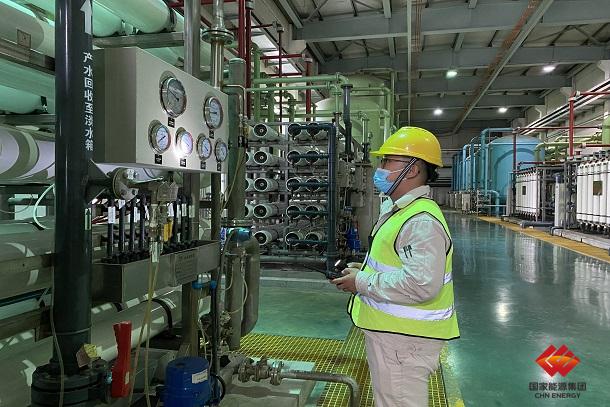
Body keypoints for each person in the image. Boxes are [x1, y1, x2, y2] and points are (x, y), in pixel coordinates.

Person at [331, 126, 459, 407]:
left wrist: (361, 282)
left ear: (412, 170)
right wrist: (362, 271)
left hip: (405, 341)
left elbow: (421, 285)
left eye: (388, 160)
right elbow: (399, 265)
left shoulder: (420, 221)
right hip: (397, 337)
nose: (380, 168)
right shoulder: (401, 210)